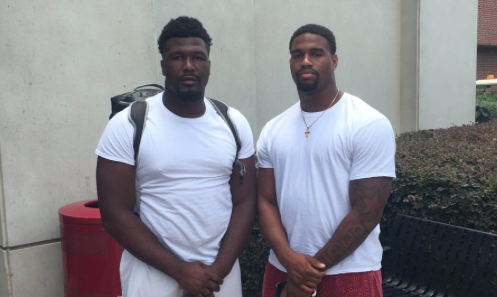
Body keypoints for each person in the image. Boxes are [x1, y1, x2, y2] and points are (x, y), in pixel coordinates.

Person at [96, 16, 256, 297]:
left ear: (208, 64)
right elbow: (114, 213)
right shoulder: (130, 124)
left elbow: (245, 203)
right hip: (152, 275)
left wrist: (218, 270)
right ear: (162, 65)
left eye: (198, 57)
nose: (188, 66)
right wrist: (181, 272)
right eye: (177, 57)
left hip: (221, 276)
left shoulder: (233, 122)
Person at [257, 24, 396, 297]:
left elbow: (366, 213)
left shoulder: (367, 123)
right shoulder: (273, 129)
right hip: (281, 268)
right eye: (297, 55)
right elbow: (265, 201)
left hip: (349, 273)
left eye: (316, 53)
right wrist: (289, 261)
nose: (305, 61)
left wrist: (307, 274)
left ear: (334, 60)